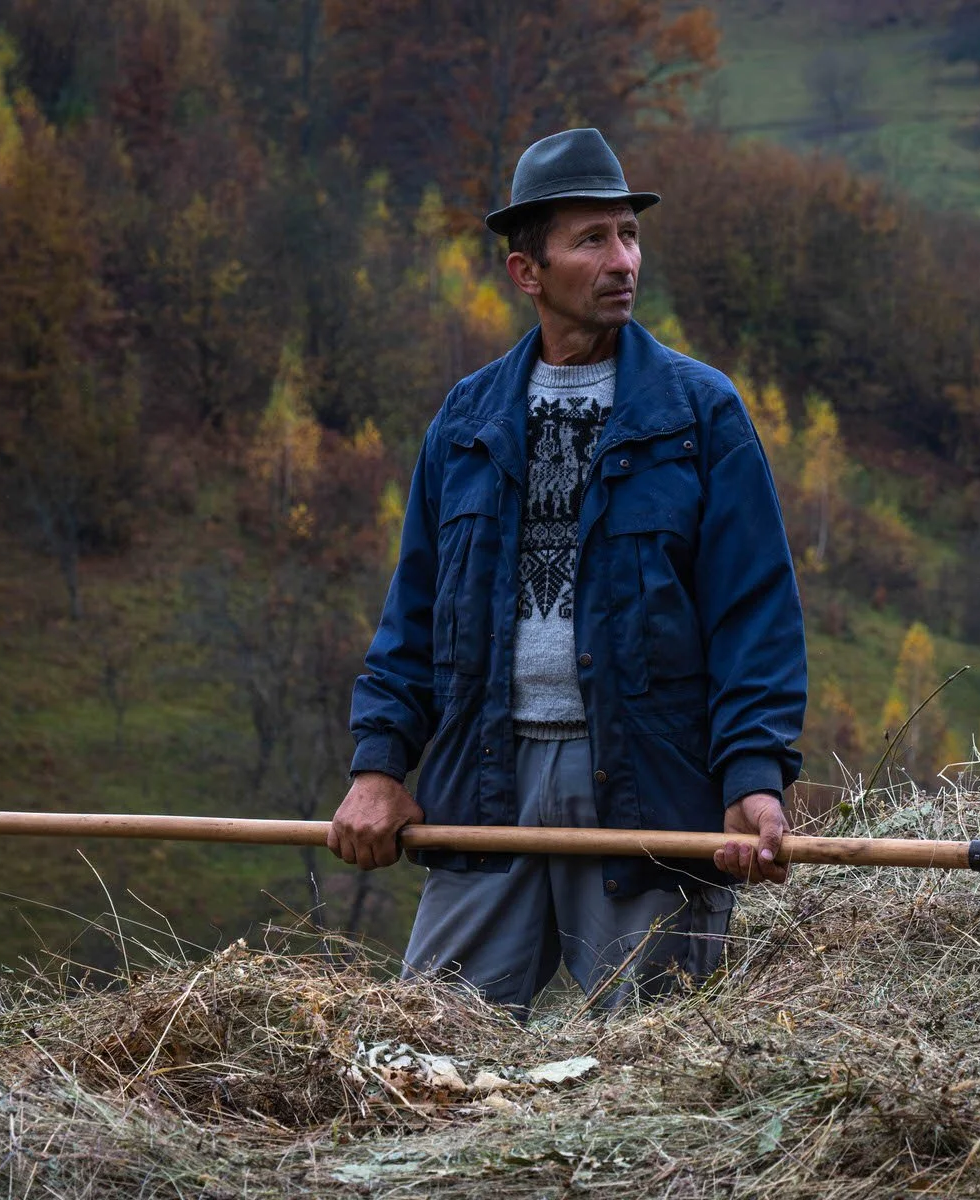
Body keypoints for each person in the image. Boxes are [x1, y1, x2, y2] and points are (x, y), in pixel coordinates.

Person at [329, 128, 806, 1012]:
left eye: (629, 235)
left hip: (648, 789)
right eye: (592, 240)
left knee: (662, 1066)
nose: (623, 261)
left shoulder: (700, 414)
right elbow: (415, 615)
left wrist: (752, 778)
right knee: (421, 1049)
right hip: (485, 783)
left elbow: (755, 614)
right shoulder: (467, 420)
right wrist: (379, 767)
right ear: (528, 271)